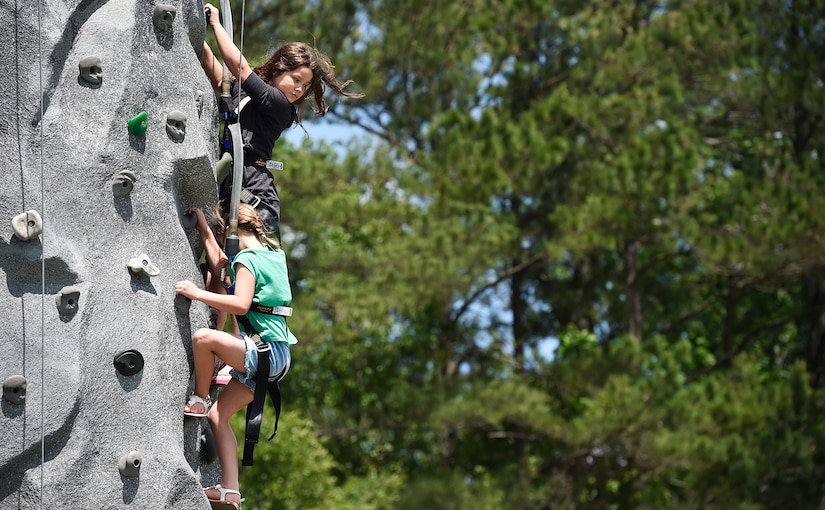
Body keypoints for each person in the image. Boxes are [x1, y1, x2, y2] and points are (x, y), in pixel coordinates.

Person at [201, 2, 364, 241]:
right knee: (217, 271)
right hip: (229, 193)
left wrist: (216, 24)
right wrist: (193, 32)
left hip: (254, 199)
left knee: (251, 268)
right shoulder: (251, 96)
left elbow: (241, 68)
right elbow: (218, 75)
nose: (300, 89)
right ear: (278, 69)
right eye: (296, 79)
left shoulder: (279, 106)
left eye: (306, 85)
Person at [175, 204, 296, 509]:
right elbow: (225, 271)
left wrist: (196, 293)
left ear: (230, 230)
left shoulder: (247, 259)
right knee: (220, 417)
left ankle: (199, 398)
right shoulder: (273, 256)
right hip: (275, 357)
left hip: (262, 351)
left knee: (204, 338)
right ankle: (230, 489)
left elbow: (240, 304)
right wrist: (204, 231)